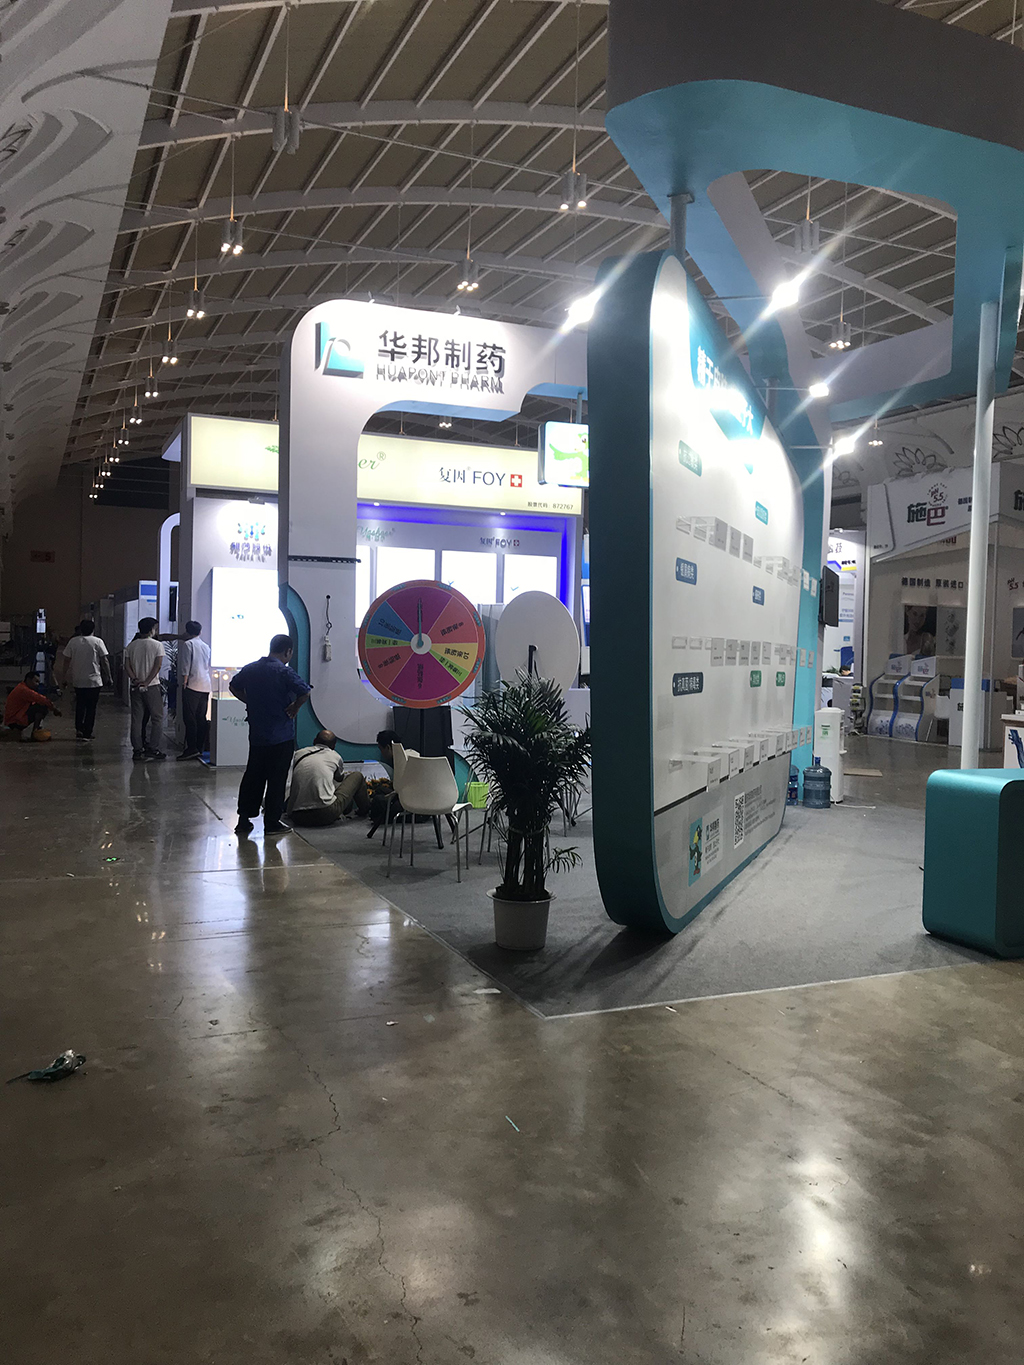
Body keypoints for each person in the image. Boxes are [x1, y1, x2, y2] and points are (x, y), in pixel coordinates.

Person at [229, 632, 311, 836]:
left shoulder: (250, 668)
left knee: (253, 776)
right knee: (277, 779)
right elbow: (305, 691)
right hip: (281, 735)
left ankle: (243, 820)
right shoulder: (284, 671)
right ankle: (272, 823)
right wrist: (295, 707)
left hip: (257, 735)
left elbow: (233, 686)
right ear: (288, 651)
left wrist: (250, 701)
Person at [285, 729, 370, 827]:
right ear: (333, 746)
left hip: (298, 816)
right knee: (357, 776)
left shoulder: (299, 754)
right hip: (325, 814)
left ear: (314, 741)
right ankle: (365, 810)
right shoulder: (335, 756)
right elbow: (339, 779)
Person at [60, 619, 112, 740]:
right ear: (93, 629)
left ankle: (79, 729)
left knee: (80, 705)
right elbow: (104, 661)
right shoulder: (98, 641)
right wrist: (109, 676)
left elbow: (66, 661)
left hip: (78, 680)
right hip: (94, 681)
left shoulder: (73, 642)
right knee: (91, 707)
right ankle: (88, 731)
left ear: (80, 629)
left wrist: (64, 677)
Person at [125, 617, 166, 761]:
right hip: (152, 686)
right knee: (157, 718)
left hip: (135, 687)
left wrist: (135, 679)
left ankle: (137, 750)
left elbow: (127, 666)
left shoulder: (131, 646)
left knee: (137, 719)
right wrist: (147, 682)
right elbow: (157, 666)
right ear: (151, 630)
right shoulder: (157, 645)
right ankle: (153, 748)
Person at [177, 620, 212, 760]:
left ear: (187, 632)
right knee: (201, 717)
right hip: (205, 684)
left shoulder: (188, 644)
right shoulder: (206, 646)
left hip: (192, 684)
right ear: (200, 632)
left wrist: (184, 682)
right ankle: (199, 747)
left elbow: (186, 665)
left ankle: (191, 748)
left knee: (189, 718)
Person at [4, 671, 60, 741]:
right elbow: (41, 699)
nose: (37, 684)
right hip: (15, 720)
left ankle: (35, 730)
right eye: (36, 681)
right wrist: (54, 709)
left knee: (39, 705)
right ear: (28, 680)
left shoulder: (21, 687)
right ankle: (35, 733)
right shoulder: (24, 690)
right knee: (42, 707)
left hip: (13, 719)